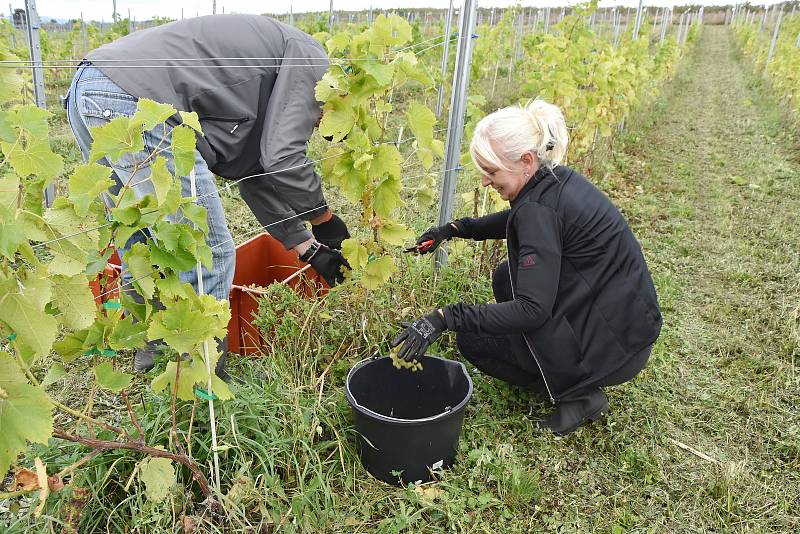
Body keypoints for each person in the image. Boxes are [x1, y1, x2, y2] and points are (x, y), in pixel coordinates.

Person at [64, 15, 351, 376]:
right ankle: (205, 381)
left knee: (142, 239)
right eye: (321, 124)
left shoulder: (277, 69)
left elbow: (256, 173)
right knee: (208, 250)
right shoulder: (313, 61)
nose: (314, 126)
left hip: (91, 88)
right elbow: (283, 157)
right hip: (134, 100)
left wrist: (306, 247)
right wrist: (325, 221)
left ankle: (152, 354)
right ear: (337, 101)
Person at [391, 99, 662, 436]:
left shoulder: (538, 209)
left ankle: (577, 396)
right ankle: (561, 371)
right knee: (507, 277)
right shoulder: (554, 182)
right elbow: (519, 220)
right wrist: (456, 229)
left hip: (615, 350)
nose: (486, 182)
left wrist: (445, 318)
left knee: (473, 342)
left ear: (526, 161)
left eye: (491, 171)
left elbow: (532, 309)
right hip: (626, 329)